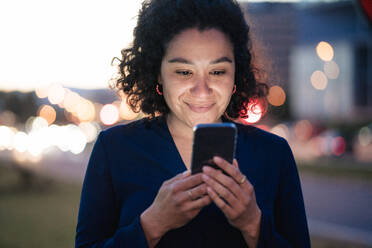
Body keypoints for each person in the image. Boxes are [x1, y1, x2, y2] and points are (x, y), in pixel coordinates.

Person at [75, 0, 310, 247]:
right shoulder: (114, 149)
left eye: (217, 71)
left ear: (235, 75)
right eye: (184, 72)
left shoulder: (274, 153)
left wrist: (253, 225)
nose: (202, 90)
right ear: (158, 73)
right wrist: (152, 224)